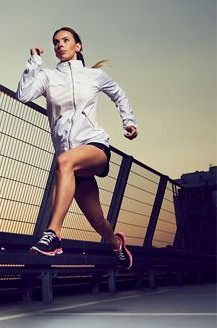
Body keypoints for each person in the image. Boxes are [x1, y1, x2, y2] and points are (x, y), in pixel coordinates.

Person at [16, 27, 137, 269]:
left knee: (64, 163)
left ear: (77, 46)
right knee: (97, 220)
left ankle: (54, 235)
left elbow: (119, 95)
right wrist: (34, 62)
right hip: (68, 163)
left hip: (94, 146)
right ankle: (117, 244)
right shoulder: (47, 76)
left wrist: (129, 121)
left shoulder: (94, 76)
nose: (60, 45)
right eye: (56, 42)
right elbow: (23, 95)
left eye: (65, 40)